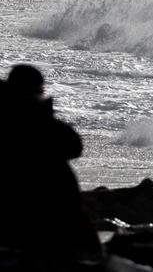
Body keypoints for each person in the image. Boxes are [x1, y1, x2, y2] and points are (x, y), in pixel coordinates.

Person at [0, 64, 104, 271]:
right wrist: (41, 112)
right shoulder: (29, 121)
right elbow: (72, 145)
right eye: (40, 90)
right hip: (40, 218)